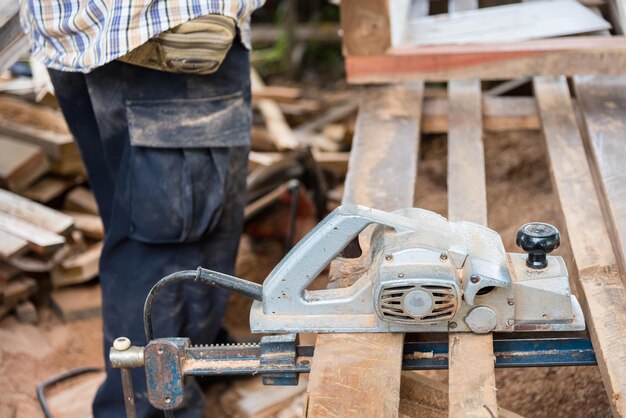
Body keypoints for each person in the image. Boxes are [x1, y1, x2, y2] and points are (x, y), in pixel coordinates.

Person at [19, 1, 265, 416]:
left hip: (80, 33)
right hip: (168, 36)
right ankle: (155, 406)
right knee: (165, 245)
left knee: (140, 229)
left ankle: (194, 364)